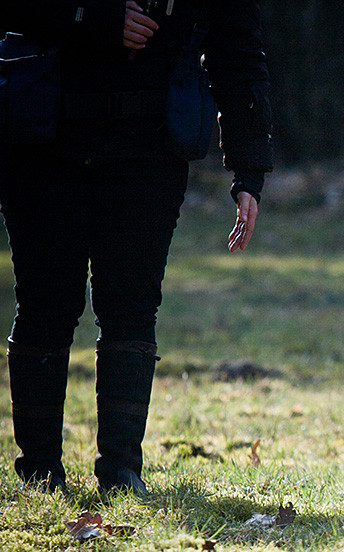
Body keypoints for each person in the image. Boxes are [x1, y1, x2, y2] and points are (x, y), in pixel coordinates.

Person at [0, 0, 273, 495]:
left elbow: (237, 51)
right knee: (45, 303)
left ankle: (122, 472)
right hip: (43, 139)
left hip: (148, 149)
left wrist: (249, 169)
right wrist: (93, 17)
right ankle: (38, 472)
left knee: (131, 306)